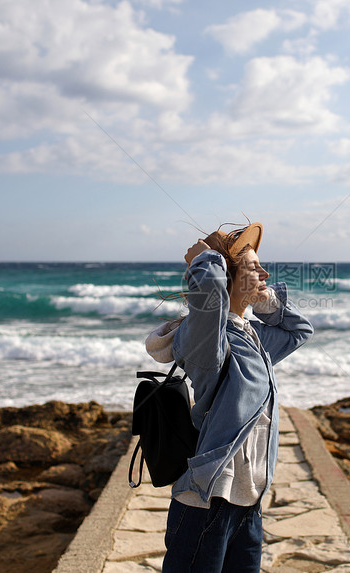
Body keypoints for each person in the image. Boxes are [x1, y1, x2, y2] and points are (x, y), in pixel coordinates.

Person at [144, 222, 313, 572]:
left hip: (248, 504)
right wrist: (206, 259)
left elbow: (299, 330)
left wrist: (263, 297)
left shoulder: (251, 337)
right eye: (253, 267)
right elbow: (209, 300)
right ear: (227, 279)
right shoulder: (209, 344)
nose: (266, 272)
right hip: (207, 504)